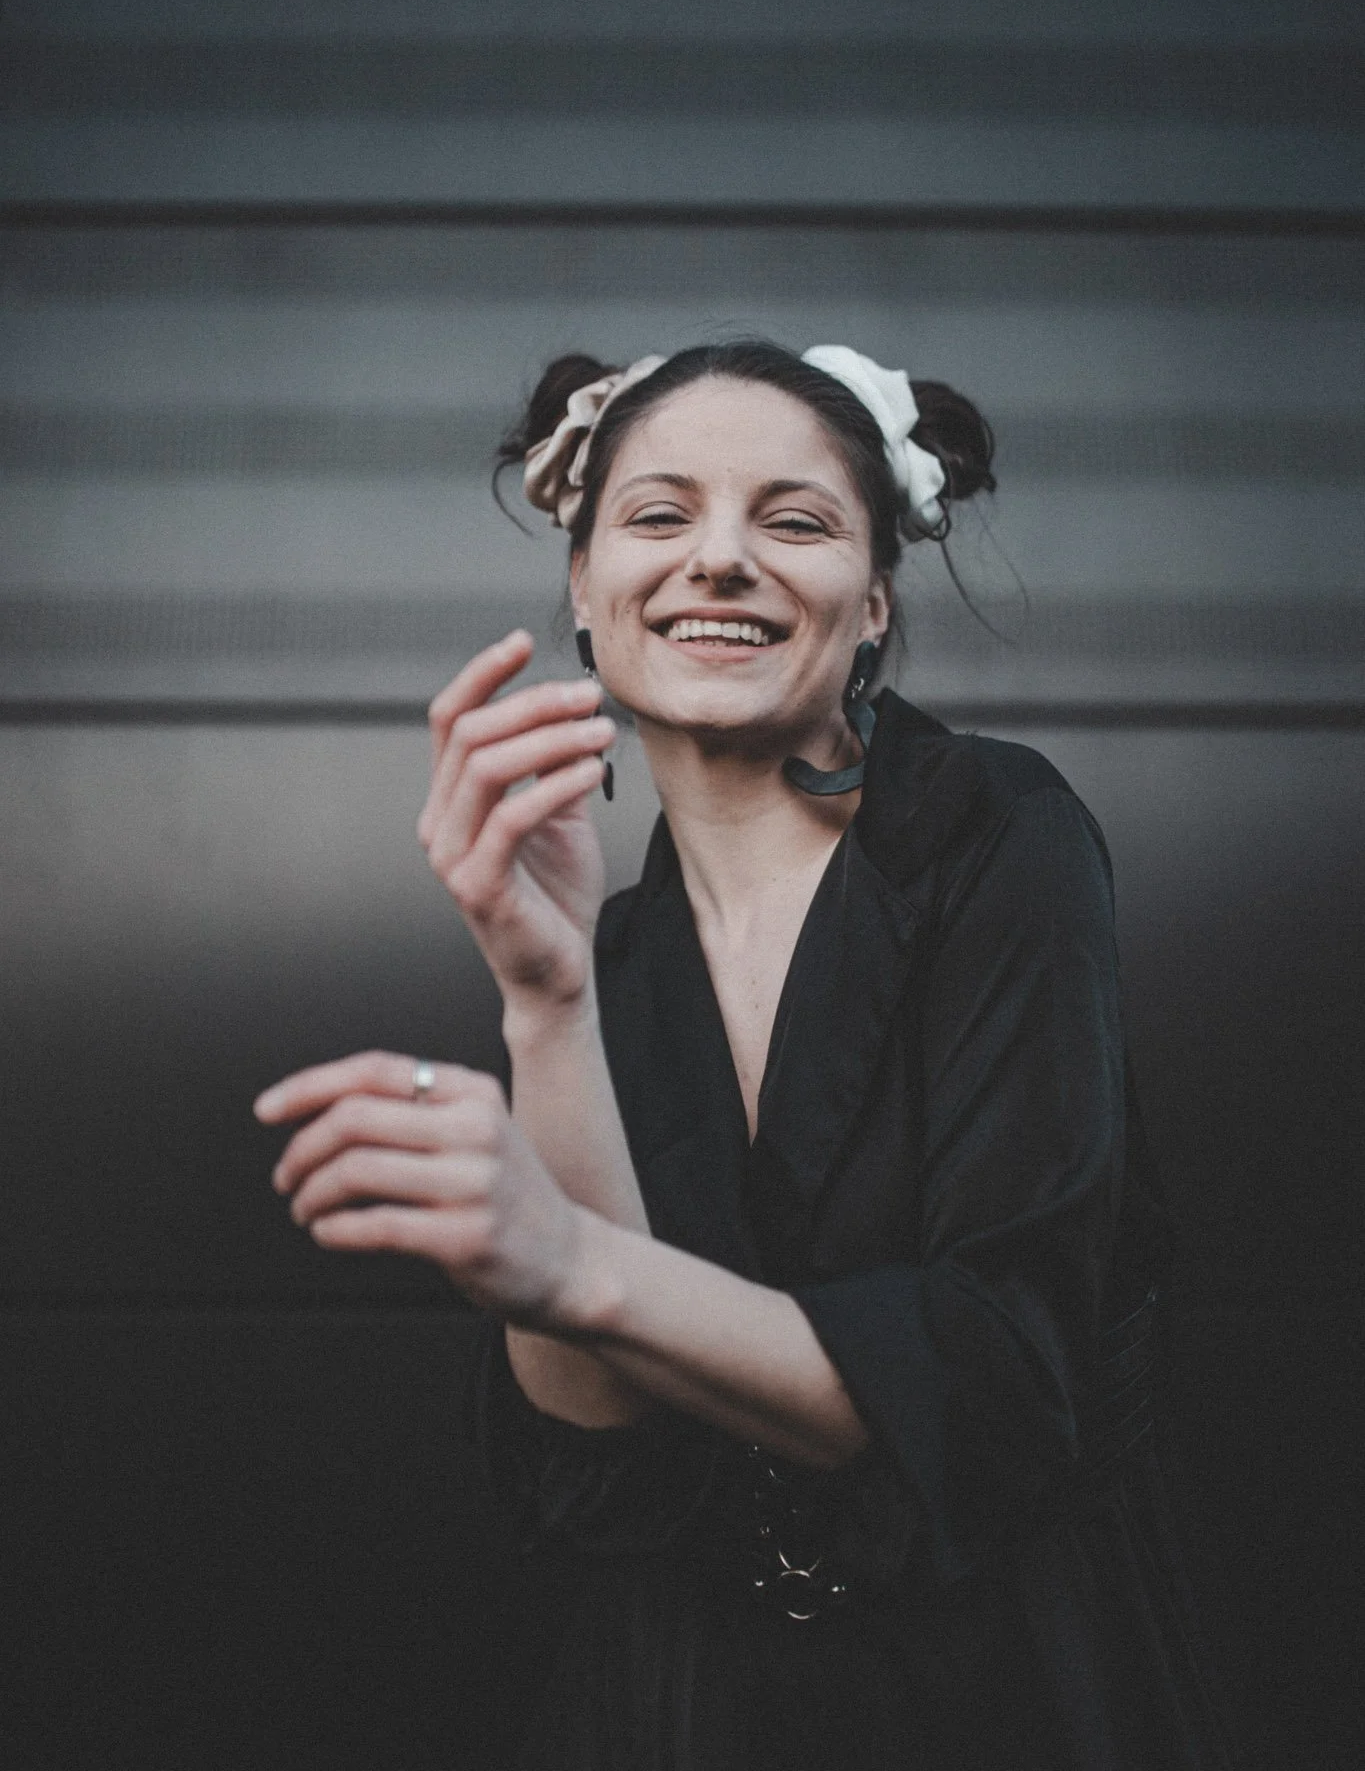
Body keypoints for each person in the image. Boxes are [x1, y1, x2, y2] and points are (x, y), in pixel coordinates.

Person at [255, 340, 1237, 1770]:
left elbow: (1001, 1389)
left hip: (1006, 1694)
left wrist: (578, 1264)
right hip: (679, 1708)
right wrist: (545, 1003)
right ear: (587, 597)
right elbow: (599, 1474)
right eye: (659, 517)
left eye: (794, 520)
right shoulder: (611, 947)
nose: (718, 560)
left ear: (877, 600)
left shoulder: (998, 837)